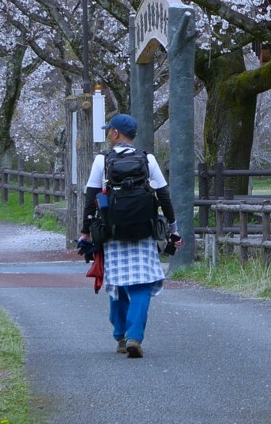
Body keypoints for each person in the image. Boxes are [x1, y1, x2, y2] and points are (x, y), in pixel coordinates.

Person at [78, 113, 179, 358]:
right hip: (143, 232)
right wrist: (173, 228)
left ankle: (121, 335)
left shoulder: (102, 160)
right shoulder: (148, 159)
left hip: (113, 233)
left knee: (118, 285)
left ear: (115, 133)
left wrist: (85, 232)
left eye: (109, 131)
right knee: (142, 286)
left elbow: (91, 197)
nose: (108, 135)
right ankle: (135, 336)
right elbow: (164, 196)